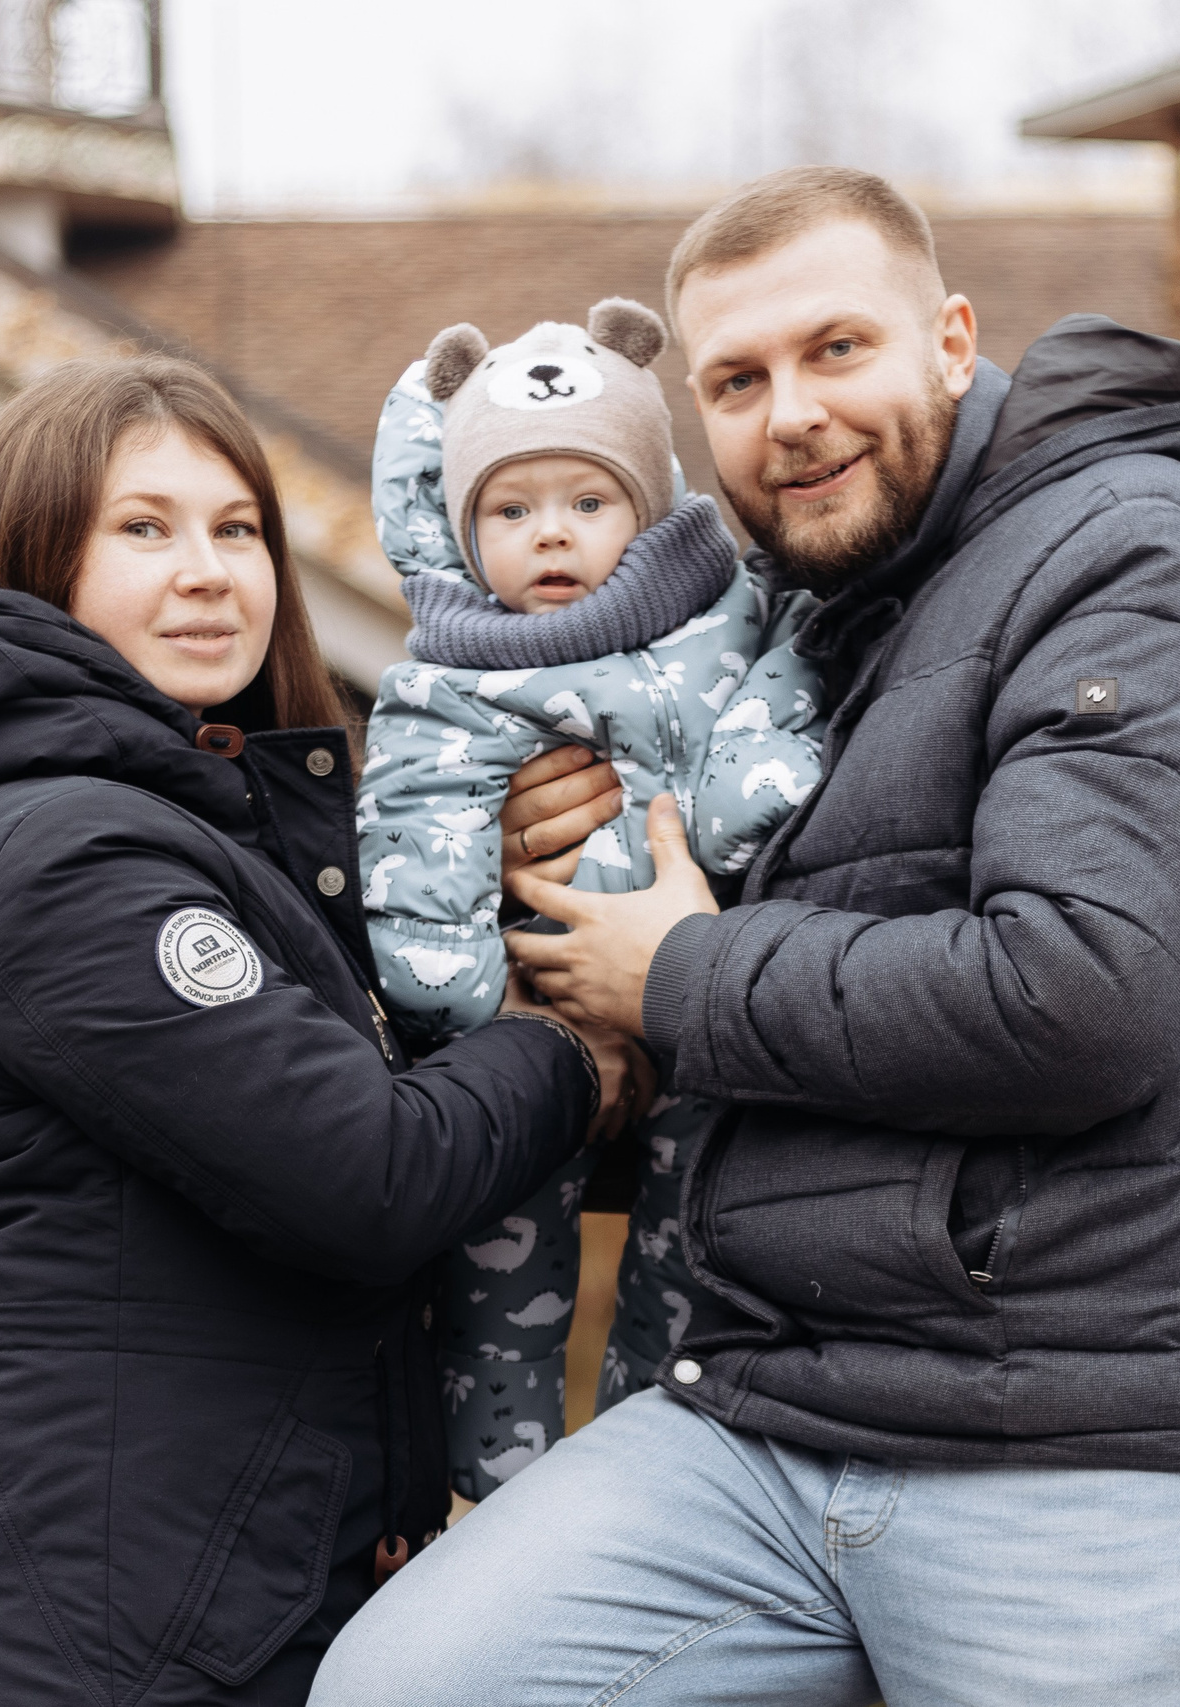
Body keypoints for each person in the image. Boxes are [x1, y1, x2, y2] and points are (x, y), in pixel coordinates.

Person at [313, 166, 1180, 1706]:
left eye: (835, 351)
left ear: (952, 339)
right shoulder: (822, 599)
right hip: (780, 1405)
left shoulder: (1132, 555)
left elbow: (1076, 995)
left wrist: (674, 971)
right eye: (736, 381)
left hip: (1106, 1424)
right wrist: (535, 835)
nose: (788, 414)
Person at [0, 355, 647, 1706]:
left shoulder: (192, 819)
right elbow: (364, 1172)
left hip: (222, 1597)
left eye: (236, 527)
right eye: (144, 528)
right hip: (125, 1635)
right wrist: (580, 1047)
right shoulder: (65, 851)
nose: (208, 570)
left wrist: (463, 873)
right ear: (36, 568)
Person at [359, 297, 827, 1501]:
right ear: (467, 533)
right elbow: (416, 824)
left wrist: (744, 793)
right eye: (510, 512)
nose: (550, 538)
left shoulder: (723, 617)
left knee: (694, 1237)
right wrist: (461, 996)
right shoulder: (455, 671)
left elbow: (788, 681)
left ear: (647, 502)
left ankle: (646, 1475)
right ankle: (496, 1485)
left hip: (692, 1015)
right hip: (537, 1022)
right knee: (499, 1263)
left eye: (586, 503)